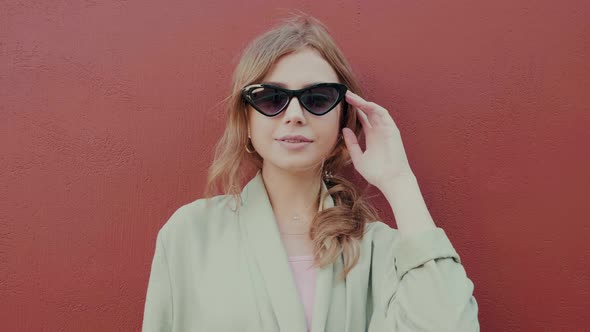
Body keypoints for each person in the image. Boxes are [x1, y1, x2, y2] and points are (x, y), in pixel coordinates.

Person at [141, 14, 480, 332]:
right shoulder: (190, 235)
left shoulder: (382, 249)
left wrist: (400, 181)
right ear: (245, 120)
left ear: (341, 119)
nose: (294, 114)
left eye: (317, 99)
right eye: (271, 98)